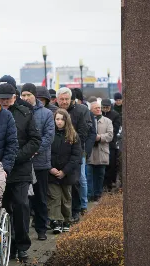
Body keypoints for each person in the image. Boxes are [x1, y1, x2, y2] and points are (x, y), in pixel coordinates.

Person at [0, 83, 42, 261]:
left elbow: (35, 139)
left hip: (20, 168)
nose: (5, 102)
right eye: (1, 99)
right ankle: (8, 243)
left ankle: (22, 245)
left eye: (8, 99)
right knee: (4, 207)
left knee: (22, 205)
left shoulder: (25, 113)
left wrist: (17, 156)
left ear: (15, 97)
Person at [21, 83, 55, 241]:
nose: (26, 98)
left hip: (40, 162)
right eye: (23, 95)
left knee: (40, 197)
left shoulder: (46, 113)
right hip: (23, 162)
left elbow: (49, 136)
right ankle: (24, 231)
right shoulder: (20, 111)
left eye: (28, 95)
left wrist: (35, 150)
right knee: (24, 199)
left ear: (35, 95)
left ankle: (41, 228)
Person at [56, 87, 90, 222]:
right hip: (57, 153)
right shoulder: (54, 111)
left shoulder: (81, 110)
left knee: (76, 181)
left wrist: (70, 142)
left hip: (75, 151)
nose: (64, 102)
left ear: (71, 99)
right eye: (61, 99)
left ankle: (76, 210)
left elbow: (84, 131)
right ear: (57, 99)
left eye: (66, 99)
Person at [48, 109, 81, 234]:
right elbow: (46, 153)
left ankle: (67, 219)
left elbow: (76, 156)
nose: (59, 122)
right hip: (52, 172)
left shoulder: (73, 135)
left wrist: (65, 171)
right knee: (54, 198)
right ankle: (56, 221)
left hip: (67, 173)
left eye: (62, 119)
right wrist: (50, 168)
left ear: (66, 120)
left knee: (66, 197)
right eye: (57, 119)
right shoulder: (50, 134)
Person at [87, 102, 113, 201]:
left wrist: (100, 137)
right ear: (91, 110)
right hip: (90, 152)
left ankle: (98, 194)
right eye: (95, 108)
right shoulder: (87, 120)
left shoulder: (108, 121)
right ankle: (90, 195)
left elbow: (110, 135)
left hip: (102, 151)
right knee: (89, 175)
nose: (98, 109)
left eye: (99, 107)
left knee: (100, 175)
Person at [101, 99, 121, 191]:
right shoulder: (99, 114)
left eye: (107, 107)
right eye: (103, 107)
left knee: (111, 164)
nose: (105, 109)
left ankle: (109, 184)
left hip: (111, 143)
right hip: (100, 143)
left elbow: (115, 130)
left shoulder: (115, 115)